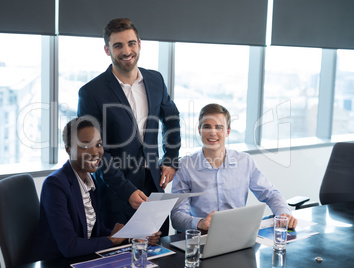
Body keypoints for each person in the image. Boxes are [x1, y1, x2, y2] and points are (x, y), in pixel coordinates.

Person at [77, 18, 181, 235]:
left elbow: (171, 117)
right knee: (119, 257)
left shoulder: (155, 80)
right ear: (107, 50)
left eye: (131, 43)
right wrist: (126, 191)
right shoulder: (91, 93)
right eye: (118, 45)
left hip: (154, 187)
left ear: (140, 44)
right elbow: (93, 151)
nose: (127, 51)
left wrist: (170, 159)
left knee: (159, 253)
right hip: (115, 193)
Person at [34, 117, 160, 260]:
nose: (95, 152)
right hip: (59, 262)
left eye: (98, 145)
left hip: (84, 259)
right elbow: (69, 246)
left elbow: (95, 232)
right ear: (68, 149)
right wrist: (113, 239)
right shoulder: (55, 185)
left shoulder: (89, 181)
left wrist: (132, 238)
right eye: (85, 146)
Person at [171, 103, 298, 233]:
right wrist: (199, 223)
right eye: (207, 127)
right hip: (202, 235)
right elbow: (177, 216)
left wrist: (284, 214)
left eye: (219, 127)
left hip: (237, 234)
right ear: (199, 130)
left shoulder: (245, 161)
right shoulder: (185, 166)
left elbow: (271, 194)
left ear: (228, 132)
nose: (212, 132)